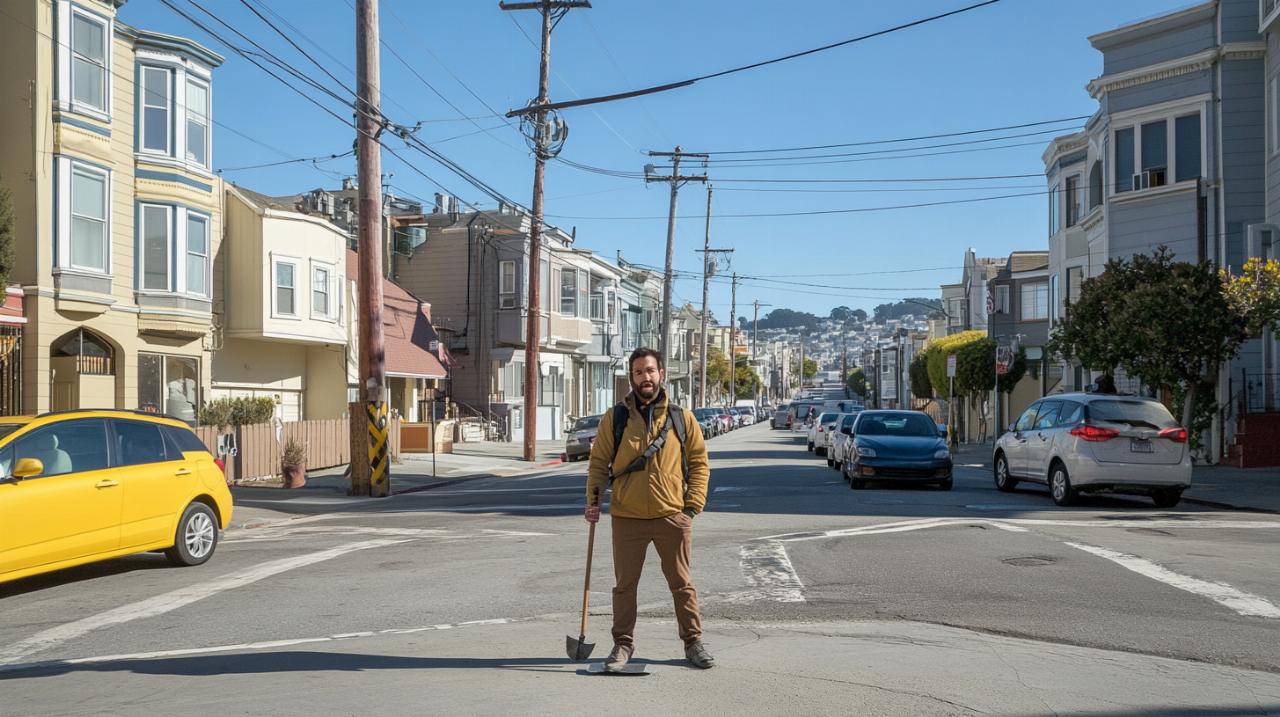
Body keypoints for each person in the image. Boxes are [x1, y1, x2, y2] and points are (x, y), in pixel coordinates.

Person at [585, 347, 713, 671]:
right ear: (632, 376)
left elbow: (699, 464)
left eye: (651, 370)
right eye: (639, 371)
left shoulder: (681, 418)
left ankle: (693, 643)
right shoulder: (616, 419)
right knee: (624, 587)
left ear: (661, 374)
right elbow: (599, 464)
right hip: (628, 518)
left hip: (672, 516)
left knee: (682, 584)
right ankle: (622, 646)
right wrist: (593, 503)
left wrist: (691, 507)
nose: (646, 377)